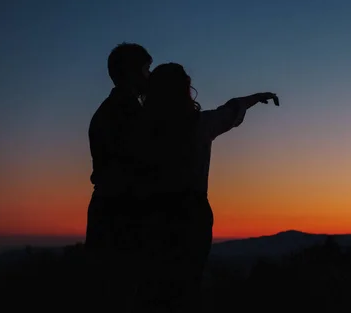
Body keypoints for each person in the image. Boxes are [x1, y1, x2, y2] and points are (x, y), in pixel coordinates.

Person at [136, 62, 279, 312]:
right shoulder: (200, 124)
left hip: (148, 215)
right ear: (185, 90)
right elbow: (232, 109)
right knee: (187, 285)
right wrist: (255, 98)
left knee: (155, 286)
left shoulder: (139, 128)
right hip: (190, 215)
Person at [84, 42, 152, 312]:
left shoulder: (110, 110)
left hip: (110, 209)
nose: (150, 76)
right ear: (133, 73)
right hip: (122, 213)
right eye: (147, 70)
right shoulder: (128, 113)